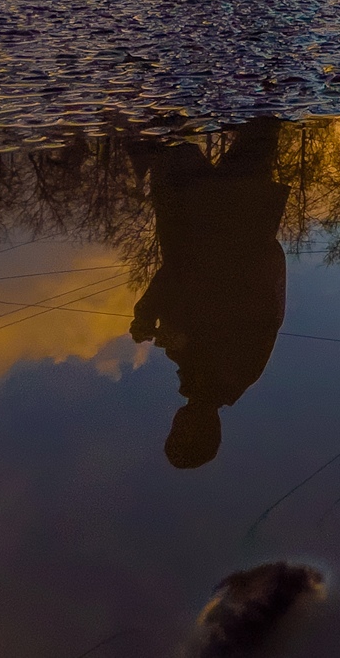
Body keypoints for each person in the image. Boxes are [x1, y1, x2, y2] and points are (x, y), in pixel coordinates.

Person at [130, 120, 290, 469]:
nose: (179, 424)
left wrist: (146, 314)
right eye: (186, 434)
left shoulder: (190, 370)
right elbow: (241, 296)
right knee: (263, 119)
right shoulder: (236, 372)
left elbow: (175, 273)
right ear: (208, 430)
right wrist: (179, 330)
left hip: (205, 212)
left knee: (167, 133)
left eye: (175, 432)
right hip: (230, 217)